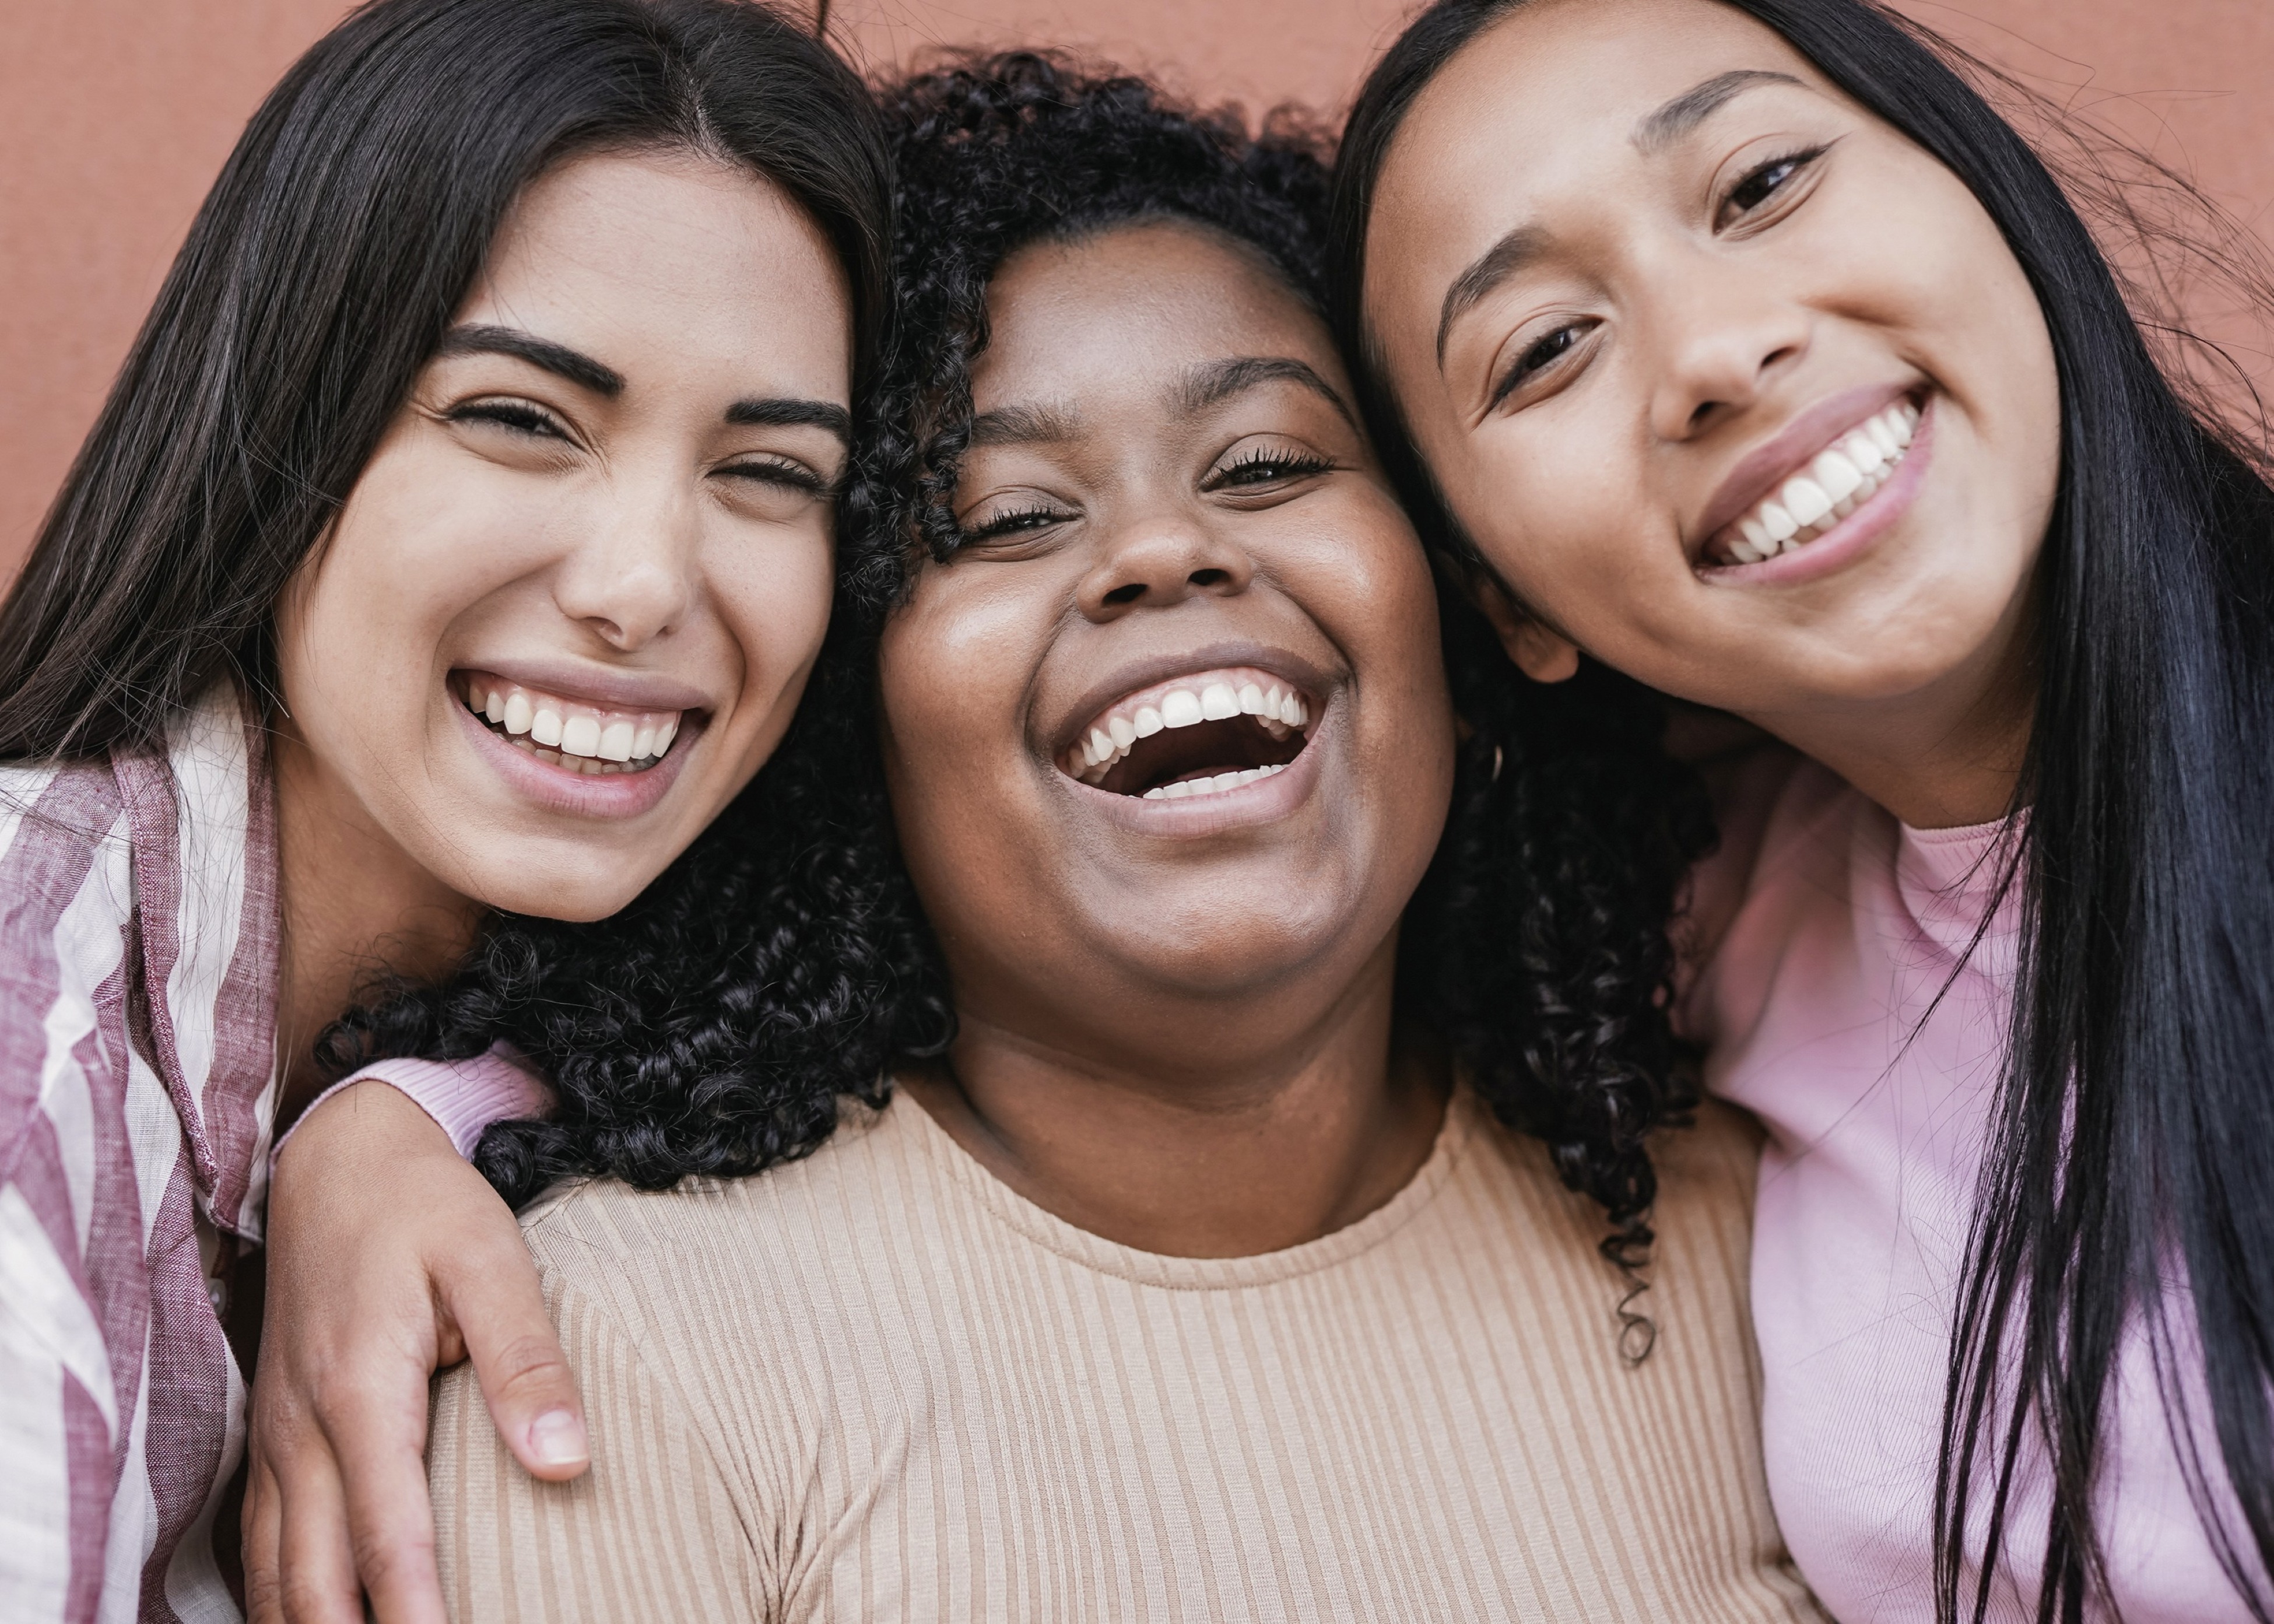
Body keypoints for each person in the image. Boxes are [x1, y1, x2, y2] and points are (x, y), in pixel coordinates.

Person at [417, 54, 1821, 1622]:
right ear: (847, 736)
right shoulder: (618, 1351)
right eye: (1006, 519)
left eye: (1268, 466)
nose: (1158, 549)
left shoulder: (1785, 1257)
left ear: (1464, 619)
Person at [1332, 1, 2274, 1617]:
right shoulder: (1696, 940)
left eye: (1760, 181)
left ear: (1980, 189)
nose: (1711, 352)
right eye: (1544, 347)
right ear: (1509, 608)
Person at [0, 1, 889, 1617]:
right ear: (285, 424)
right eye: (519, 419)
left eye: (770, 471)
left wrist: (417, 1104)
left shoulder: (730, 954)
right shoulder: (26, 1066)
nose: (641, 585)